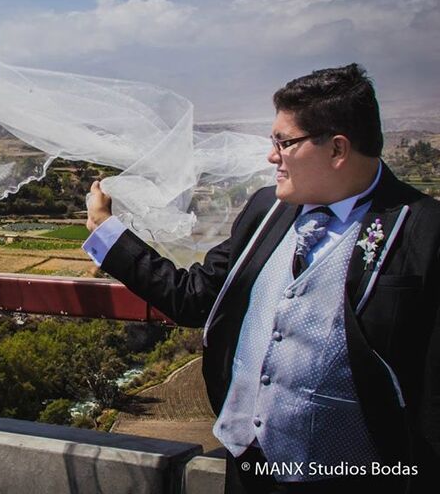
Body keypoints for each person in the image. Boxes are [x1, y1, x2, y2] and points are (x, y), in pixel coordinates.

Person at [83, 64, 439, 494]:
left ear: (337, 149)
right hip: (249, 468)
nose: (271, 156)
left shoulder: (424, 231)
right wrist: (106, 232)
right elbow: (194, 298)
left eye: (283, 143)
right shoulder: (266, 209)